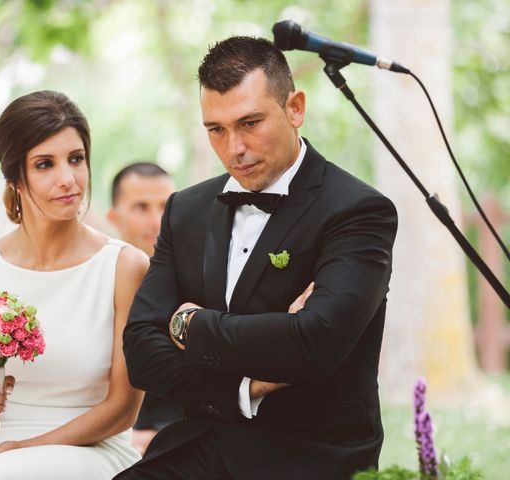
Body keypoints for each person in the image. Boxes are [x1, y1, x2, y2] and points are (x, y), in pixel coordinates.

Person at [118, 36, 398, 479]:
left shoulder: (358, 210)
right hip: (199, 445)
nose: (234, 148)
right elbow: (140, 353)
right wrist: (243, 387)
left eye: (250, 123)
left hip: (312, 456)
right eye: (216, 129)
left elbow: (314, 342)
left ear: (295, 108)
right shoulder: (185, 209)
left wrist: (190, 325)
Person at [0, 90, 147, 479]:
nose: (68, 179)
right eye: (44, 164)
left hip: (93, 450)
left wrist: (19, 450)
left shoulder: (125, 267)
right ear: (14, 176)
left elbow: (123, 408)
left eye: (76, 159)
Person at [107, 163, 180, 454]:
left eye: (165, 206)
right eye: (141, 207)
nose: (157, 220)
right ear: (113, 217)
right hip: (108, 439)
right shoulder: (96, 280)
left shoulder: (202, 280)